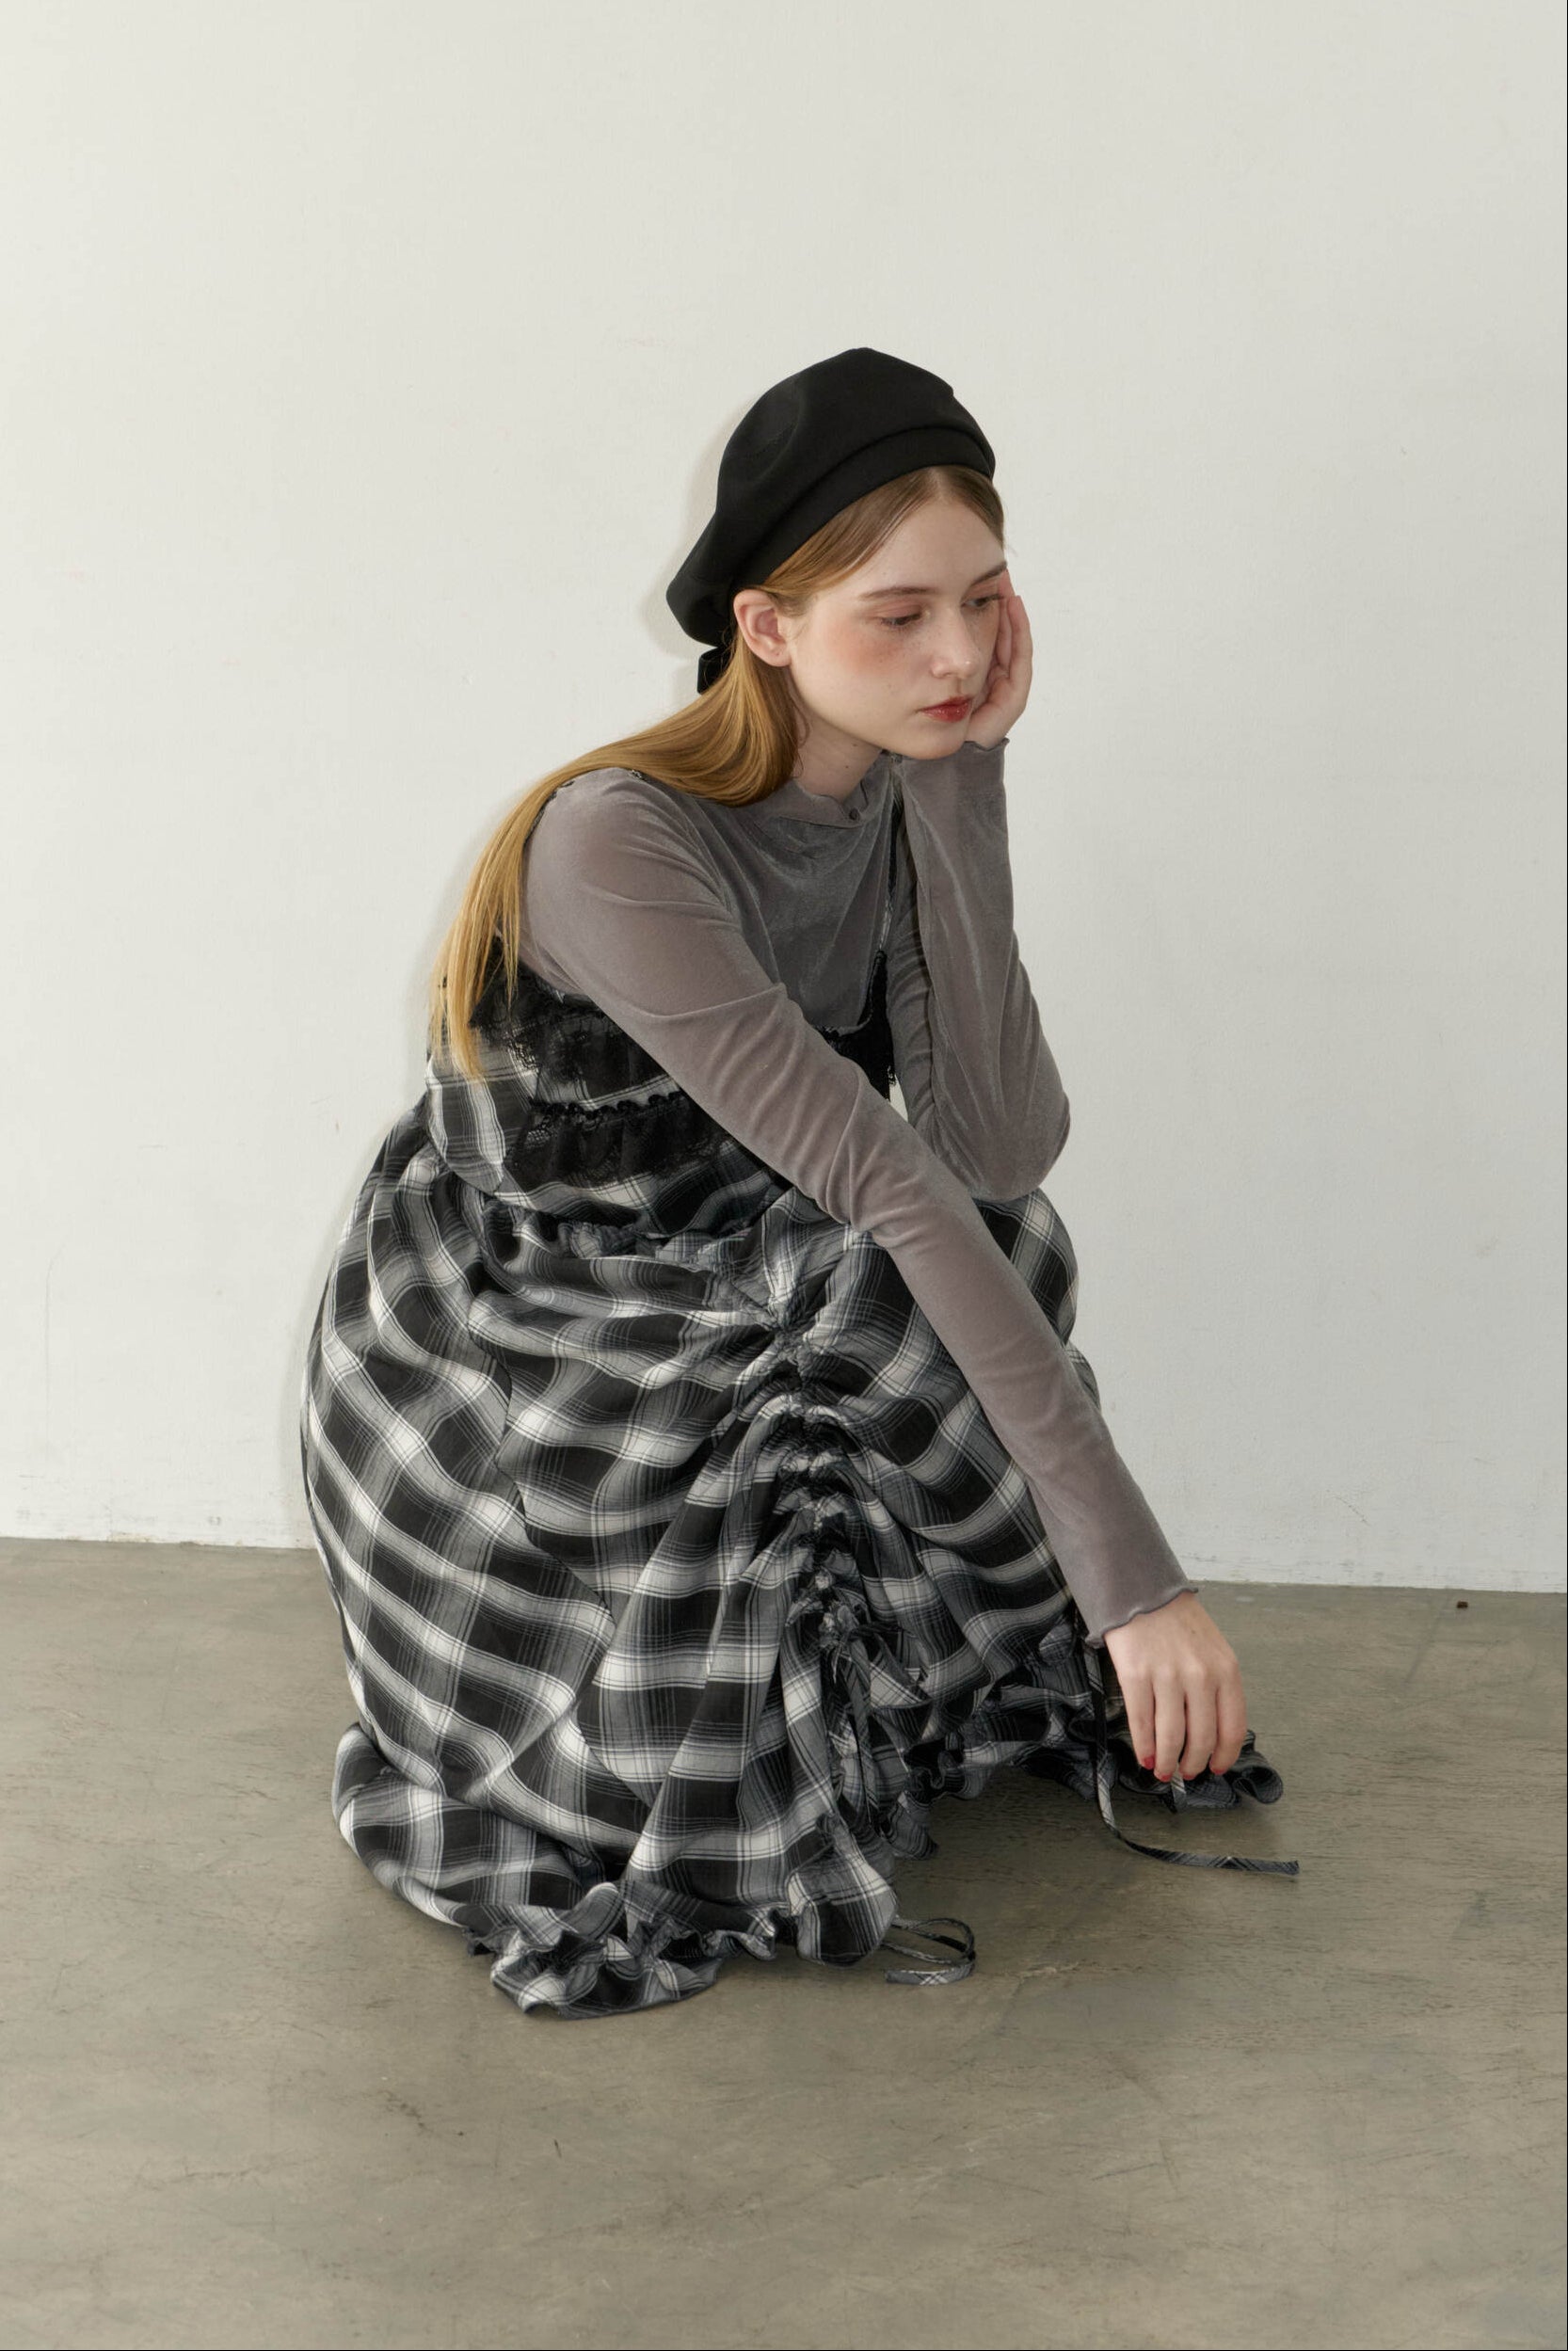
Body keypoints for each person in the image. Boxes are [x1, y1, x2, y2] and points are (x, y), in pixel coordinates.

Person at [299, 346, 1295, 2021]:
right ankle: (655, 1735)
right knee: (871, 1287)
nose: (957, 654)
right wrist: (1136, 1579)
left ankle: (855, 1694)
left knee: (996, 1246)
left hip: (744, 1243)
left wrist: (963, 780)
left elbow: (993, 1149)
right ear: (766, 626)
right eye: (897, 616)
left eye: (982, 600)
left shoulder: (893, 789)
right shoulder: (616, 838)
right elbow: (892, 1189)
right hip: (525, 1316)